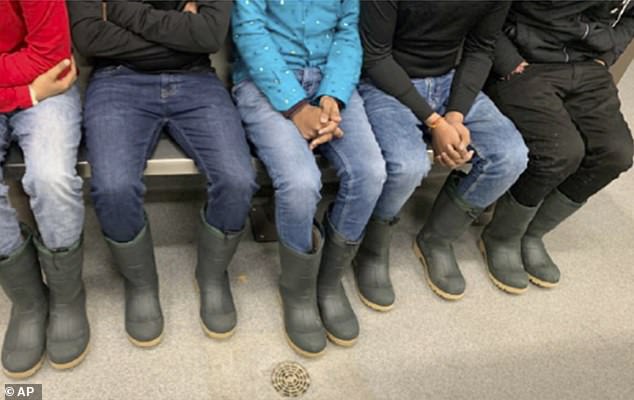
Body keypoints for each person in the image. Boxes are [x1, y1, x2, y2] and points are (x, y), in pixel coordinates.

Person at [67, 1, 258, 347]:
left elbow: (209, 34)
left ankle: (212, 274)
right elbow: (89, 37)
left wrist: (120, 12)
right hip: (116, 79)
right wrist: (179, 35)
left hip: (195, 78)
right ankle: (140, 282)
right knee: (113, 187)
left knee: (237, 178)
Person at [232, 0, 387, 357]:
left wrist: (333, 94)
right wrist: (297, 107)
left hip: (329, 80)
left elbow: (348, 34)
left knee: (370, 173)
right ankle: (298, 291)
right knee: (301, 182)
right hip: (264, 81)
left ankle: (329, 280)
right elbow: (249, 32)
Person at [358, 0, 528, 302]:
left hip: (448, 78)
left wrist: (455, 115)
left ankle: (437, 239)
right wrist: (435, 122)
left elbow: (481, 48)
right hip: (385, 81)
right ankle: (370, 249)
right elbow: (375, 57)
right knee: (407, 166)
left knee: (511, 156)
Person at [483, 1, 634, 291]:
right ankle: (501, 236)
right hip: (525, 61)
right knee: (561, 151)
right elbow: (486, 9)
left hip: (587, 62)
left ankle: (532, 232)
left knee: (616, 153)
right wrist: (506, 59)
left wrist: (608, 53)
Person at [0, 0, 89, 378]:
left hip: (51, 86)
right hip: (32, 87)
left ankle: (67, 296)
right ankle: (28, 300)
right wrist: (25, 92)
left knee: (52, 178)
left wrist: (36, 91)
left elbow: (51, 56)